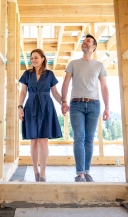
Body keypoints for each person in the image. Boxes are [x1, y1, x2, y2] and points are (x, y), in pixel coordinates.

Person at [61, 34, 109, 182]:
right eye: (83, 41)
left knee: (89, 139)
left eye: (88, 41)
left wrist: (107, 107)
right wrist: (63, 101)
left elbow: (104, 87)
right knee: (79, 137)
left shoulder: (99, 65)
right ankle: (80, 173)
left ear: (94, 46)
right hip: (76, 104)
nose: (84, 43)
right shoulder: (73, 63)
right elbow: (66, 83)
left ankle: (86, 171)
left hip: (94, 105)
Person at [18, 49, 63, 182]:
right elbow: (22, 92)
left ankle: (43, 174)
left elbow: (55, 93)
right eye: (31, 58)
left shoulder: (49, 74)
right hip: (31, 106)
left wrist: (64, 103)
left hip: (46, 107)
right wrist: (20, 107)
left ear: (43, 58)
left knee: (43, 141)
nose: (33, 60)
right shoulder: (27, 74)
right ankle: (35, 171)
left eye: (36, 57)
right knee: (34, 141)